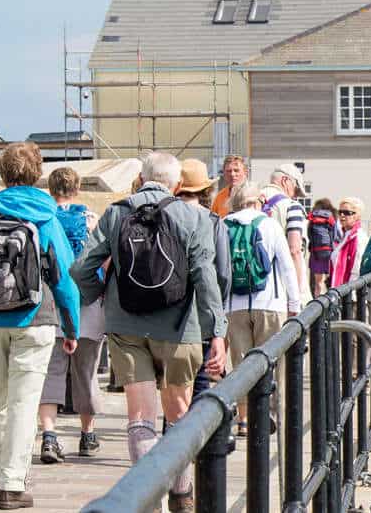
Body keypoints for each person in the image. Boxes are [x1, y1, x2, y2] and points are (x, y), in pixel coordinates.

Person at [74, 152, 227, 513]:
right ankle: (182, 494)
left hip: (126, 326)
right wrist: (216, 331)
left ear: (141, 180)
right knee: (178, 414)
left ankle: (147, 500)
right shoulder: (194, 216)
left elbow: (82, 267)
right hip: (180, 329)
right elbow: (206, 278)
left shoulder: (116, 213)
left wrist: (98, 296)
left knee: (140, 417)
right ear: (177, 185)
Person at [0, 143, 82, 510]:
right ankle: (13, 483)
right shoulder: (46, 216)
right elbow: (64, 278)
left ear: (2, 173)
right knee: (24, 402)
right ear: (37, 172)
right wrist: (70, 327)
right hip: (35, 318)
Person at [219, 182, 299, 434]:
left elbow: (217, 268)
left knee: (241, 365)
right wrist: (294, 303)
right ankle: (271, 413)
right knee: (273, 361)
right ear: (258, 202)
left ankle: (243, 419)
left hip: (234, 306)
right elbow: (286, 265)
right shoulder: (269, 224)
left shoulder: (223, 226)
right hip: (270, 304)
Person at [37, 167, 103, 463]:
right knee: (86, 372)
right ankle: (87, 434)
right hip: (86, 304)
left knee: (50, 371)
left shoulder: (42, 218)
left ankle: (49, 436)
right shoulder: (90, 218)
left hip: (50, 304)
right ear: (77, 188)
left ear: (50, 188)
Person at [174, 159, 230, 402]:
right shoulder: (214, 222)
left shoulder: (164, 216)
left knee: (174, 385)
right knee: (200, 381)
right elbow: (224, 273)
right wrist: (220, 311)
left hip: (169, 313)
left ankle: (172, 435)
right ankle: (197, 438)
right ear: (205, 190)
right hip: (202, 312)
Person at [262, 164, 311, 304]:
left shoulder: (248, 201)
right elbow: (295, 250)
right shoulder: (291, 206)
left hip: (247, 290)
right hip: (279, 290)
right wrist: (298, 294)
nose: (295, 195)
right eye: (296, 189)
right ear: (285, 181)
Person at [329, 197, 367, 287]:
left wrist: (350, 295)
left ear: (357, 215)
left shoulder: (357, 237)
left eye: (347, 213)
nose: (342, 215)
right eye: (340, 212)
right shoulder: (345, 235)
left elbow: (356, 270)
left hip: (348, 293)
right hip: (339, 289)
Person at [306, 198, 342, 295]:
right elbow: (336, 235)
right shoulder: (333, 216)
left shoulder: (313, 217)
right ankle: (331, 302)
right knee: (331, 281)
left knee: (318, 283)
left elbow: (309, 235)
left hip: (316, 253)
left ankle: (318, 302)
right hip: (330, 251)